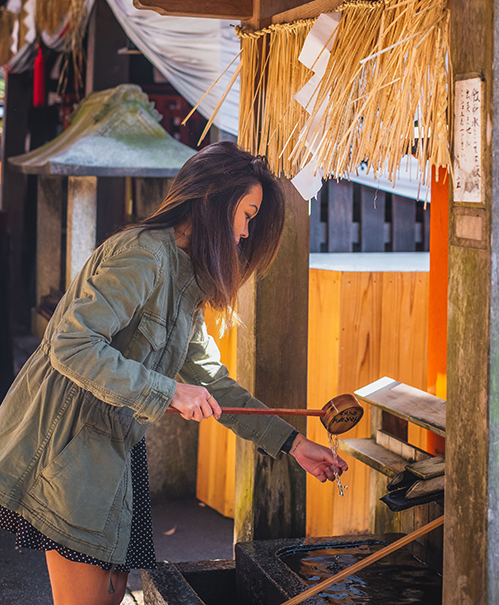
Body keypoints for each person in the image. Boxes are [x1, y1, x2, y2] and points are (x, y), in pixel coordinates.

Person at [0, 142, 348, 605]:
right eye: (246, 214)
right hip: (68, 443)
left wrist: (294, 444)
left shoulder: (187, 275)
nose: (245, 233)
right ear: (212, 201)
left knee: (115, 590)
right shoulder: (144, 255)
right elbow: (71, 343)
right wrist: (169, 391)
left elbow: (212, 380)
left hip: (115, 446)